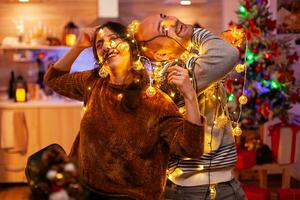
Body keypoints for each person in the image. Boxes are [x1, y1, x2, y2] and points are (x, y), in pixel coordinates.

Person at [44, 22, 205, 200]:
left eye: (114, 39)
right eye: (99, 44)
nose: (106, 45)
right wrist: (78, 46)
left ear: (131, 47)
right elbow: (54, 79)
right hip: (84, 191)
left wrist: (190, 95)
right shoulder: (94, 82)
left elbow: (191, 147)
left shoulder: (154, 101)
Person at [135, 14, 246, 199]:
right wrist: (193, 32)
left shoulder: (192, 60)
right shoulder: (173, 77)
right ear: (161, 54)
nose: (172, 22)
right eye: (164, 29)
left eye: (164, 16)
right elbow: (228, 54)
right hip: (197, 190)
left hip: (224, 182)